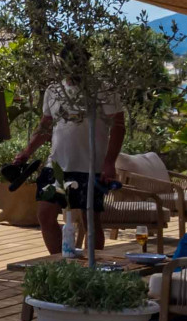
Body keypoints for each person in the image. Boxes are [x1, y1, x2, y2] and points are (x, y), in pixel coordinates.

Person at [10, 84, 125, 257]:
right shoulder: (53, 90)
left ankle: (92, 267)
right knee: (45, 215)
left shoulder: (104, 90)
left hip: (90, 167)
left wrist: (109, 163)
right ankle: (61, 264)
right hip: (56, 166)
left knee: (90, 221)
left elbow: (118, 126)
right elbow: (45, 125)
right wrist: (27, 152)